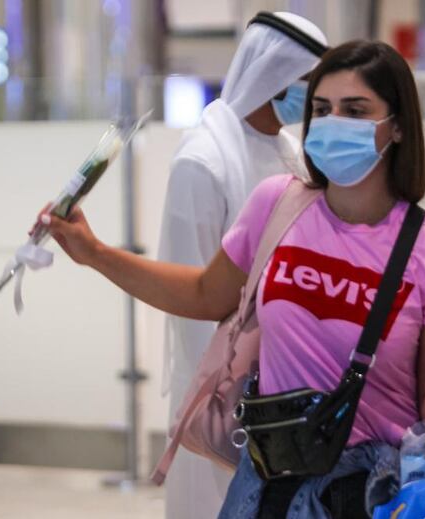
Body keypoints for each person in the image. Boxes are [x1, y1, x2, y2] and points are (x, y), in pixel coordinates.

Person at [39, 40, 425, 518]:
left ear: (400, 126)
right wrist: (94, 254)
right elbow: (206, 293)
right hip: (268, 484)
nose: (332, 123)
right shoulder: (278, 205)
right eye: (322, 109)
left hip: (374, 492)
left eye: (355, 109)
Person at [157, 12, 326, 518]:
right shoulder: (203, 161)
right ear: (273, 76)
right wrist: (230, 392)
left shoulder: (292, 152)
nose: (310, 101)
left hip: (289, 384)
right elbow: (193, 298)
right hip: (221, 395)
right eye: (303, 85)